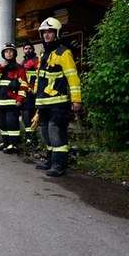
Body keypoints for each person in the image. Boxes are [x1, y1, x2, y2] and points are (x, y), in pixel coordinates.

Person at [34, 17, 82, 177]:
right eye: (44, 32)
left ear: (57, 33)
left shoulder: (64, 53)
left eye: (50, 32)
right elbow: (40, 78)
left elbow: (72, 77)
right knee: (45, 132)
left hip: (58, 102)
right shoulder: (43, 53)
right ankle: (50, 159)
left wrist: (76, 99)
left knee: (55, 131)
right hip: (43, 102)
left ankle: (59, 163)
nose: (47, 35)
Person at [20, 41, 39, 144]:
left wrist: (34, 89)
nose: (28, 50)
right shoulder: (22, 63)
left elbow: (39, 76)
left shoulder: (36, 61)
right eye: (26, 49)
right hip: (24, 92)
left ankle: (32, 137)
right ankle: (29, 136)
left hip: (32, 92)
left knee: (29, 113)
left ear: (33, 49)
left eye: (29, 48)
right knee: (25, 114)